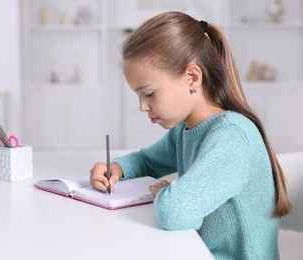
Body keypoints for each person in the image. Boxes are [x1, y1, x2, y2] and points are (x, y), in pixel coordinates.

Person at [89, 11, 293, 259]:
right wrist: (117, 167)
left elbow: (175, 212)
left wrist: (166, 192)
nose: (142, 106)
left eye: (149, 94)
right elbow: (147, 161)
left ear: (192, 78)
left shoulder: (231, 136)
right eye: (138, 96)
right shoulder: (185, 130)